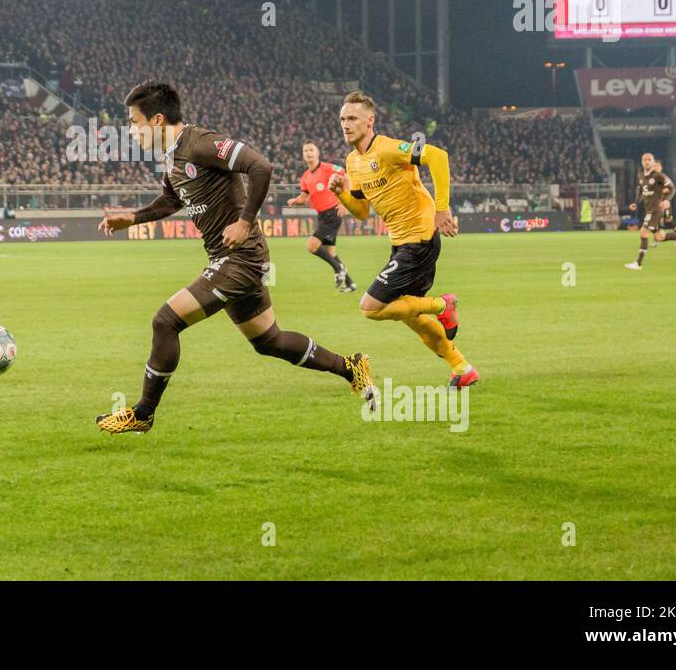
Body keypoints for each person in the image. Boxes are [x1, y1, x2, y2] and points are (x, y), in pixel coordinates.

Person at [95, 81, 376, 434]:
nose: (131, 130)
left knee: (165, 322)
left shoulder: (201, 144)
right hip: (230, 257)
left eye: (134, 121)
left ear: (157, 120)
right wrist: (132, 218)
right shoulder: (173, 158)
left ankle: (142, 414)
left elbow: (261, 167)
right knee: (268, 341)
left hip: (240, 258)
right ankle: (351, 367)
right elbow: (171, 201)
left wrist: (245, 221)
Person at [332, 91, 479, 388]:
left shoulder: (387, 148)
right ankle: (462, 369)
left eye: (352, 118)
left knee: (369, 307)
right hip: (401, 243)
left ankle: (442, 305)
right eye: (342, 119)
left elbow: (437, 156)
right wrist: (342, 194)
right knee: (412, 317)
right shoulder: (352, 162)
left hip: (419, 240)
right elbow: (361, 211)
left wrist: (442, 208)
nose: (345, 125)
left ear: (370, 121)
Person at [286, 141, 356, 292]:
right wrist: (295, 201)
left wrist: (345, 202)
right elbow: (304, 198)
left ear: (317, 152)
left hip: (332, 213)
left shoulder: (327, 168)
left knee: (311, 246)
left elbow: (346, 176)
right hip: (322, 216)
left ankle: (339, 270)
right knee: (331, 253)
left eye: (311, 150)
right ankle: (350, 284)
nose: (309, 153)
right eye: (306, 151)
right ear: (303, 155)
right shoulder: (305, 176)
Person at [626, 153, 676, 269]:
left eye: (649, 160)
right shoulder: (640, 175)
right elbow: (640, 190)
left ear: (653, 162)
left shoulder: (658, 176)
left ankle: (638, 263)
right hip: (648, 209)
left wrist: (667, 200)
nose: (647, 162)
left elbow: (672, 188)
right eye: (645, 159)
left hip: (656, 210)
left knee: (643, 233)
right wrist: (636, 202)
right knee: (660, 237)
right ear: (641, 162)